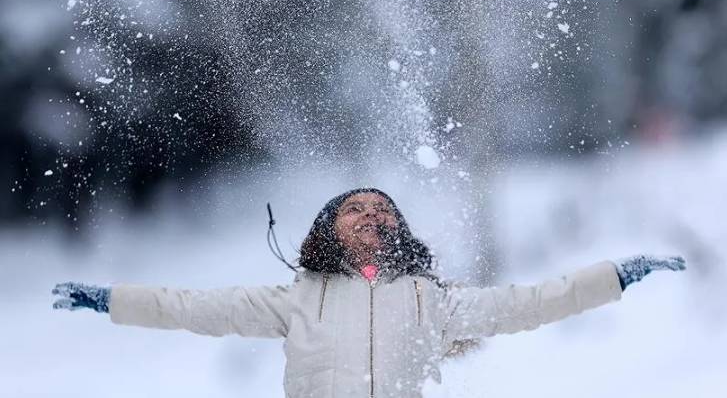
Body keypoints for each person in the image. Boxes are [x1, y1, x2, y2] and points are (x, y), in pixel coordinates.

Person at [52, 188, 686, 398]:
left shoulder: (431, 300)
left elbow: (531, 302)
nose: (371, 215)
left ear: (400, 230)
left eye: (383, 208)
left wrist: (616, 276)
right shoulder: (297, 298)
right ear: (328, 228)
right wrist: (108, 300)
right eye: (354, 208)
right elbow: (190, 308)